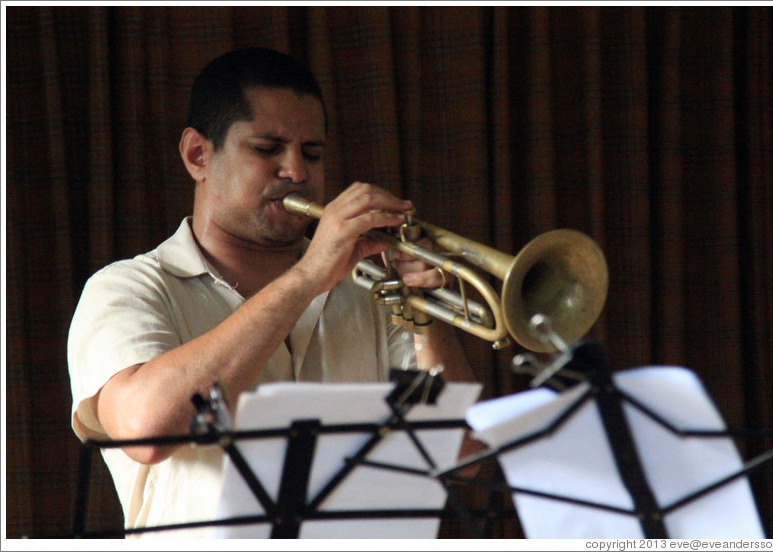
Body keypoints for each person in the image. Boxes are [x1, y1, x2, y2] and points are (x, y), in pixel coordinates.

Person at [67, 47, 476, 538]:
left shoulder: (372, 288)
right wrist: (307, 279)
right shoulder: (127, 288)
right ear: (197, 155)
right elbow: (148, 429)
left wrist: (424, 314)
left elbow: (461, 456)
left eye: (313, 153)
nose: (298, 172)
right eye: (267, 149)